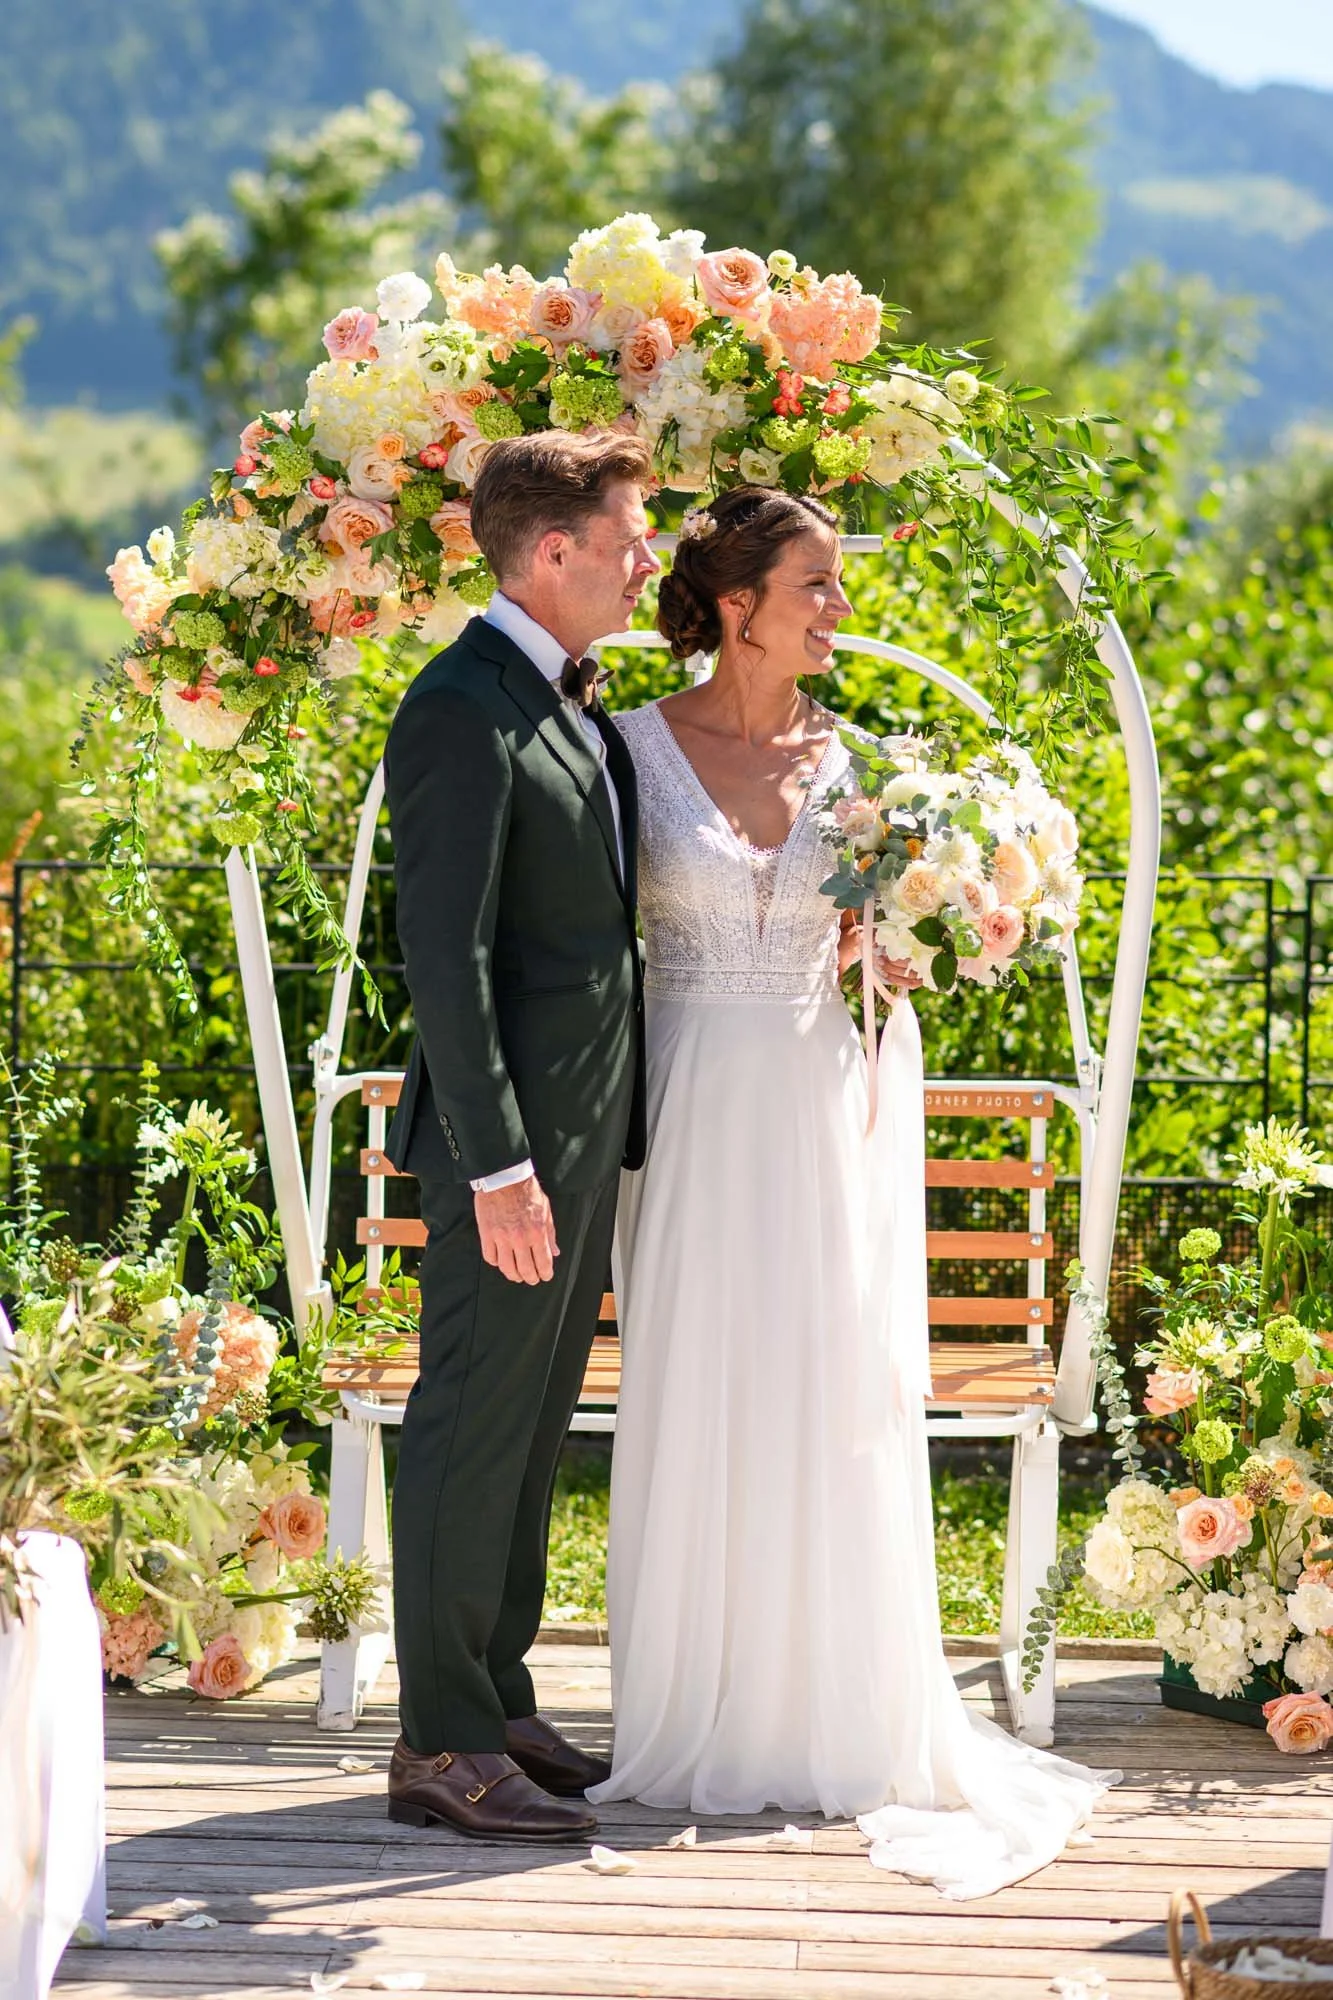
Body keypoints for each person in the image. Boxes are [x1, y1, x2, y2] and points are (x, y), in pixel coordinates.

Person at [588, 485, 1118, 1900]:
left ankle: (838, 1714)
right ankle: (694, 1714)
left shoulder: (875, 770)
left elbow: (894, 947)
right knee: (699, 1386)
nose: (839, 607)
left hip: (830, 1110)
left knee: (828, 1391)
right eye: (816, 583)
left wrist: (912, 944)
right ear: (740, 600)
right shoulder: (626, 752)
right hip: (693, 1109)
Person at [381, 428, 658, 1842]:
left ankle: (493, 1693)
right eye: (627, 542)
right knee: (466, 1421)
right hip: (506, 1153)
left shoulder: (563, 702)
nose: (646, 563)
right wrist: (495, 1163)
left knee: (531, 1426)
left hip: (576, 1138)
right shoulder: (459, 708)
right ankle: (436, 1743)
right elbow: (444, 955)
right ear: (552, 554)